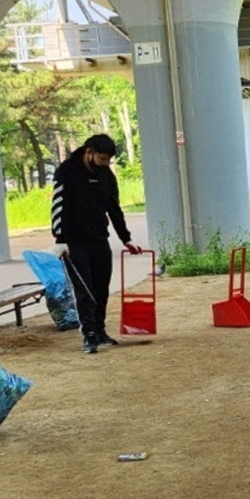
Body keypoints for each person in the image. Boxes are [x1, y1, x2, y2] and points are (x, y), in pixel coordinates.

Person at [51, 134, 142, 354]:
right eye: (101, 159)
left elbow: (114, 208)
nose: (104, 164)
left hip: (99, 239)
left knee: (101, 288)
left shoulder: (106, 175)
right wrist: (60, 239)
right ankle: (89, 334)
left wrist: (126, 238)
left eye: (108, 160)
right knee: (84, 289)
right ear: (89, 152)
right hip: (74, 241)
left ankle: (100, 330)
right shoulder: (67, 171)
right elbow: (58, 206)